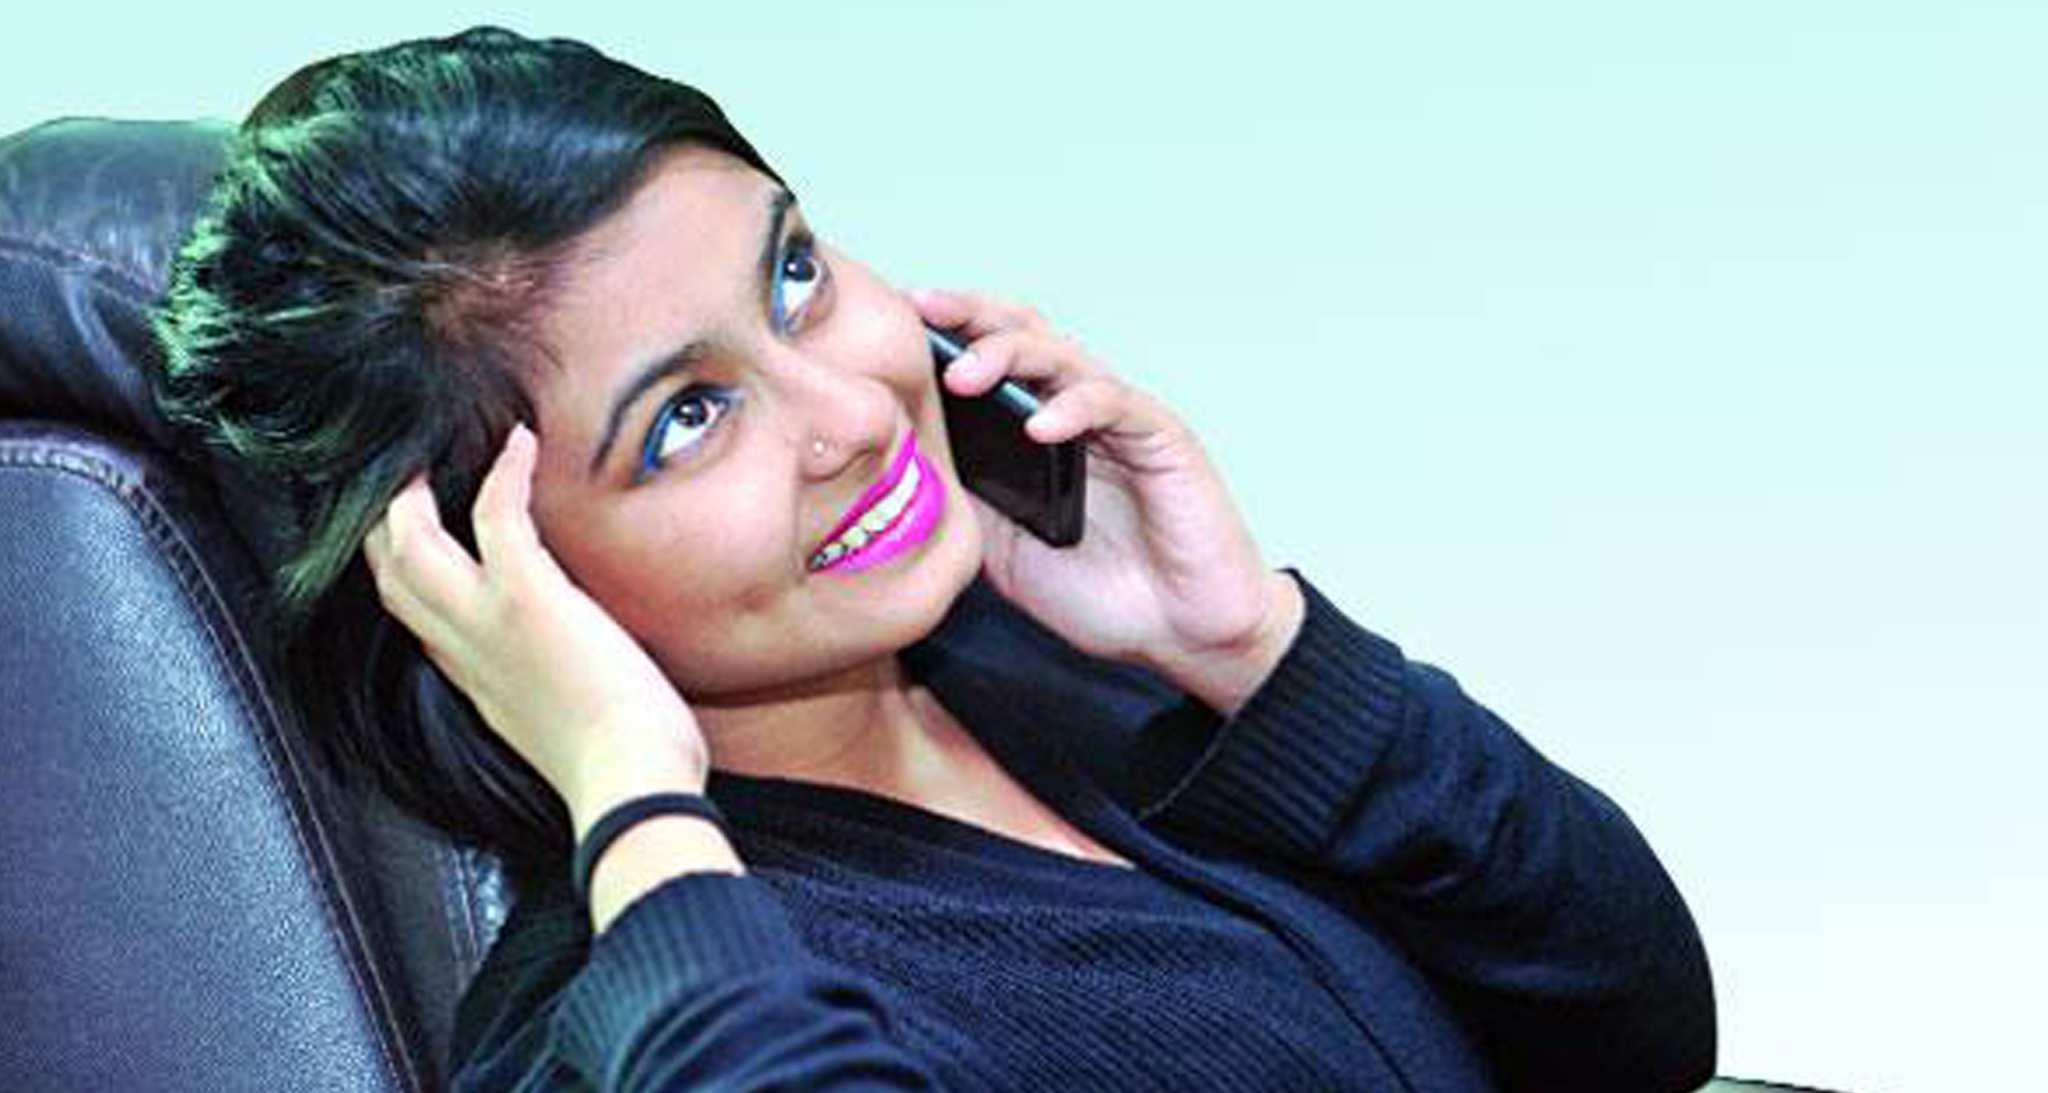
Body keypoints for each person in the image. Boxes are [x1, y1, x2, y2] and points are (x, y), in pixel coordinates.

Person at [151, 25, 1716, 1093]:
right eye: (686, 417)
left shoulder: (1062, 686)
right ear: (493, 583)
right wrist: (633, 799)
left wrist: (1254, 653)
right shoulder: (614, 1029)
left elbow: (1638, 1024)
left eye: (794, 276)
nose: (853, 409)